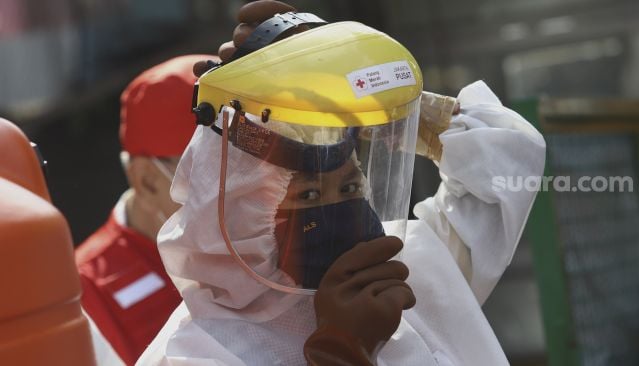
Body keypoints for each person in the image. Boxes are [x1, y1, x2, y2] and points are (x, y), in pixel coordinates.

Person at [138, 1, 546, 365]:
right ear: (239, 211)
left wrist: (357, 93)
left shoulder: (412, 272)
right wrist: (341, 353)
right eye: (309, 195)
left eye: (351, 188)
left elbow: (507, 157)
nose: (340, 211)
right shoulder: (194, 353)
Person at [75, 54, 214, 365]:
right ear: (147, 181)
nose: (239, 188)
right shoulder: (82, 297)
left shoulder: (276, 241)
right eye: (210, 171)